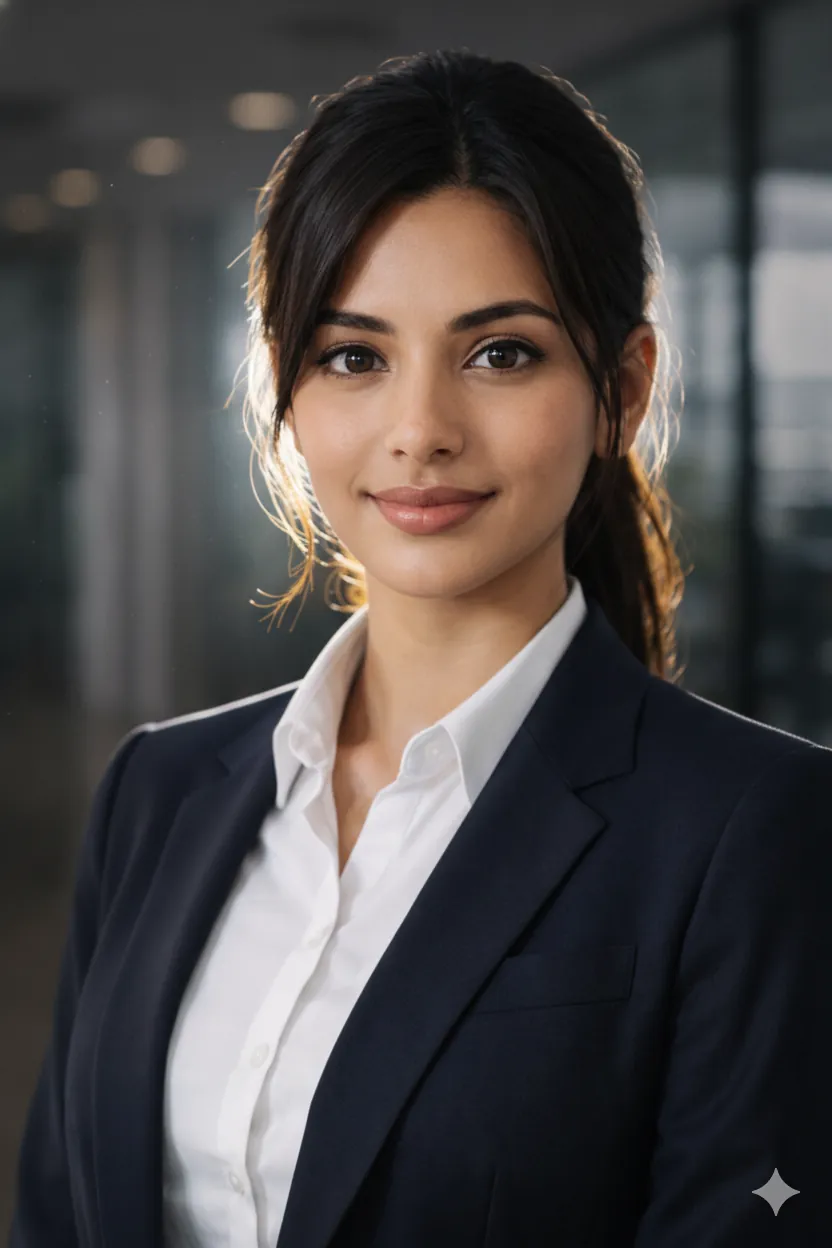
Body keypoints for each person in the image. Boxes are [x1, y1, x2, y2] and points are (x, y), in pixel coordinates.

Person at [10, 48, 832, 1248]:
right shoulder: (157, 790)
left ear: (622, 389)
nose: (420, 431)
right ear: (286, 394)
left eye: (500, 353)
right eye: (354, 356)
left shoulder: (749, 832)